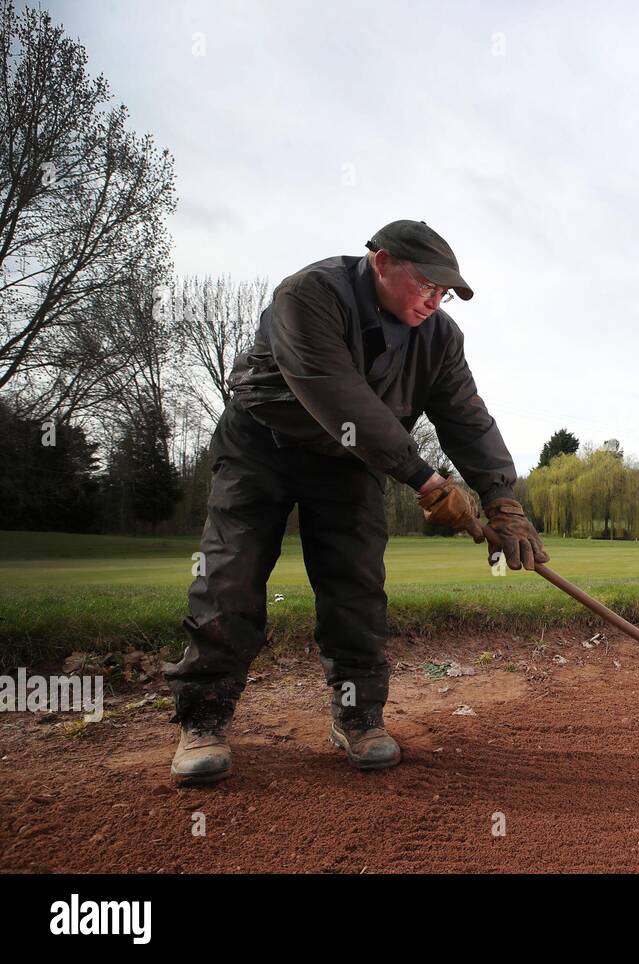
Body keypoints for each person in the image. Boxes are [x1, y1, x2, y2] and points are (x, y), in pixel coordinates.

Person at [163, 219, 548, 785]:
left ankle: (358, 716)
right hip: (261, 447)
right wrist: (427, 481)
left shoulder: (441, 338)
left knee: (357, 585)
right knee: (230, 577)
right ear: (382, 262)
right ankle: (204, 720)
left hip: (352, 463)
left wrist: (501, 497)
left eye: (445, 293)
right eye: (426, 285)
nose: (435, 301)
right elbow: (339, 398)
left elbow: (466, 415)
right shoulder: (310, 295)